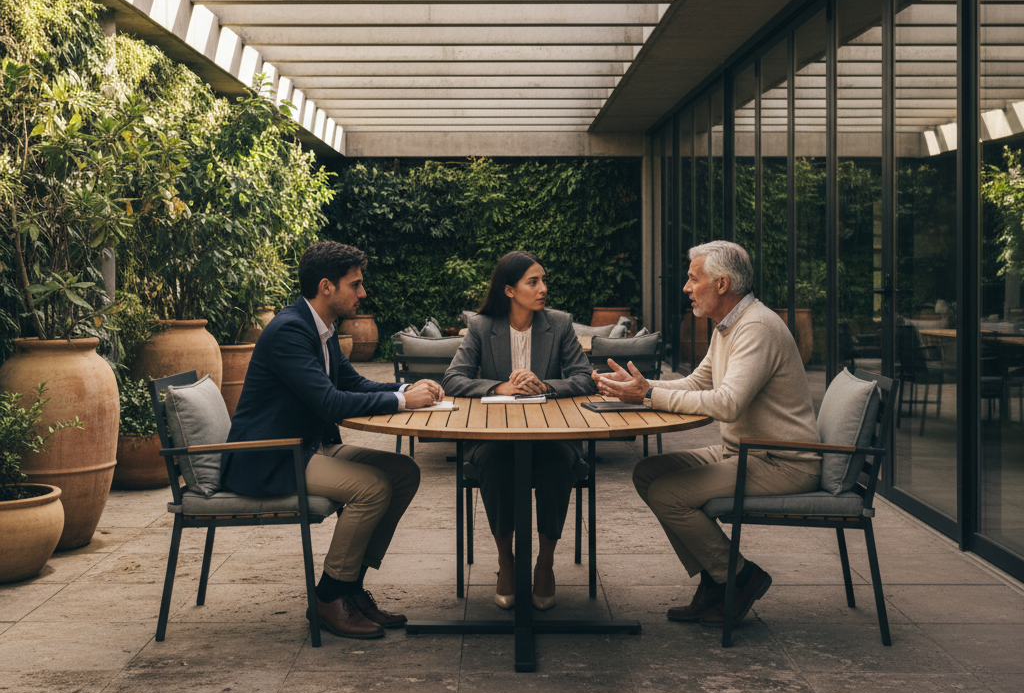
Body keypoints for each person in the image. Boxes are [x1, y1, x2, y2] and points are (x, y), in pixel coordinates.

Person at [221, 241, 444, 640]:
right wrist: (401, 400)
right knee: (372, 488)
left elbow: (352, 383)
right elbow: (330, 402)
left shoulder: (321, 328)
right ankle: (327, 597)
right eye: (355, 285)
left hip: (307, 446)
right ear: (326, 287)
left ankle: (351, 589)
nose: (362, 293)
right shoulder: (290, 330)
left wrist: (408, 388)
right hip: (271, 457)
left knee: (403, 471)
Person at [594, 240, 821, 626]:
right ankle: (715, 580)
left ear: (722, 284)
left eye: (692, 278)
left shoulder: (757, 328)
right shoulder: (727, 325)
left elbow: (727, 403)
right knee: (648, 473)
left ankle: (740, 577)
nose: (686, 287)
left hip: (782, 461)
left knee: (668, 493)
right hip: (745, 452)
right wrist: (639, 386)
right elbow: (699, 383)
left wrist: (648, 395)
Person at [443, 250, 596, 611]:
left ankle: (545, 562)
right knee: (495, 462)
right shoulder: (482, 326)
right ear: (509, 290)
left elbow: (586, 378)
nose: (543, 288)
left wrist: (544, 386)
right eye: (533, 282)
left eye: (543, 280)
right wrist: (499, 387)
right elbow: (452, 378)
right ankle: (506, 562)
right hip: (495, 436)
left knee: (557, 462)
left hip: (554, 435)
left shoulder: (559, 324)